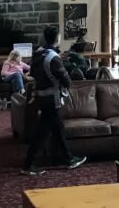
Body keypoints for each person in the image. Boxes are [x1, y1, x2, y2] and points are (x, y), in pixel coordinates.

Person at [22, 25, 87, 175]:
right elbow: (66, 79)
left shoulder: (38, 53)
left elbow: (34, 72)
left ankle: (68, 158)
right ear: (57, 39)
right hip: (53, 98)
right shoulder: (53, 58)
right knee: (42, 133)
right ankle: (28, 165)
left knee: (57, 129)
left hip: (41, 96)